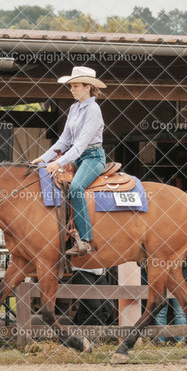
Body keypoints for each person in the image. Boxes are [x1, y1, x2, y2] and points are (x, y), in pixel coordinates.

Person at [31, 66, 107, 256]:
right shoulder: (74, 108)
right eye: (71, 86)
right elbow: (64, 141)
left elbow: (80, 145)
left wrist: (58, 162)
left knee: (76, 188)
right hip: (77, 158)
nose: (71, 89)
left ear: (88, 87)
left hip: (93, 157)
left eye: (76, 85)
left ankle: (86, 240)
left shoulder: (94, 110)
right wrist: (43, 158)